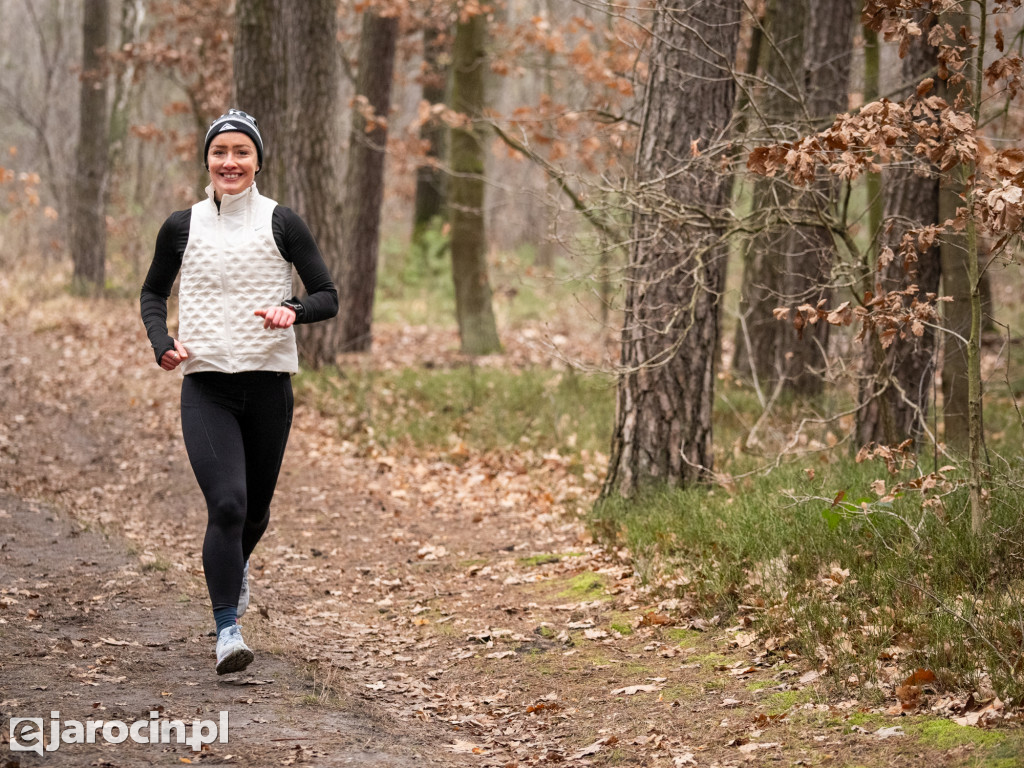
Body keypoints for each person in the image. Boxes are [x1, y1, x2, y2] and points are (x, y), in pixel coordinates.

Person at [140, 109, 338, 675]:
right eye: (221, 152)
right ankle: (228, 628)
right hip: (206, 387)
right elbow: (152, 294)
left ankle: (235, 566)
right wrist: (163, 342)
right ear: (207, 160)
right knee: (227, 503)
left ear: (256, 161)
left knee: (255, 513)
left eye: (241, 152)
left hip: (269, 385)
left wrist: (292, 309)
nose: (230, 162)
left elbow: (328, 294)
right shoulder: (182, 226)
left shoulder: (283, 223)